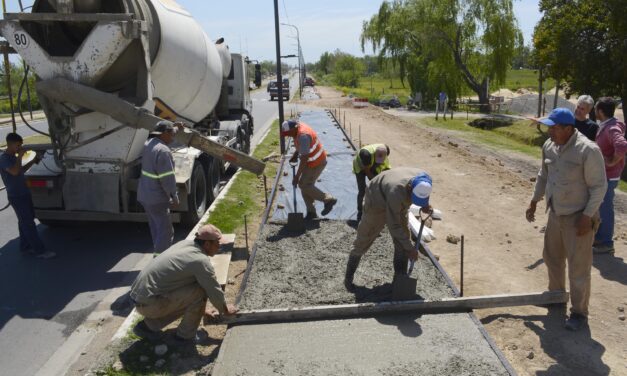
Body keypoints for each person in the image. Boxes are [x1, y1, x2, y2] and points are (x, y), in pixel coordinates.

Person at [526, 108, 607, 331]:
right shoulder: (549, 146)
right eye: (549, 127)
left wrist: (587, 216)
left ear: (568, 129)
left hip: (579, 217)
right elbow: (544, 175)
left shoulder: (587, 150)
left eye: (554, 127)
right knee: (552, 258)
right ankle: (556, 297)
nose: (549, 131)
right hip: (555, 214)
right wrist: (534, 200)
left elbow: (600, 186)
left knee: (578, 268)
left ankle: (579, 313)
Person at [130, 224, 238, 341]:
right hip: (150, 303)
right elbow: (212, 288)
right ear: (207, 244)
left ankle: (147, 327)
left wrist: (202, 310)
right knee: (200, 291)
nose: (219, 247)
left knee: (194, 290)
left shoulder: (184, 244)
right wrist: (225, 310)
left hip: (141, 299)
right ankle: (185, 337)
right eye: (218, 243)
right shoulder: (200, 261)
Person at [344, 167, 432, 291]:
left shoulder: (425, 180)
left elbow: (423, 195)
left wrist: (425, 204)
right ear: (410, 188)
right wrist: (410, 248)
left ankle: (399, 279)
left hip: (398, 199)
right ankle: (348, 279)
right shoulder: (396, 192)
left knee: (403, 239)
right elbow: (394, 226)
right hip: (376, 198)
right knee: (365, 237)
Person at [0, 133, 55, 259]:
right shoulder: (4, 158)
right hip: (16, 195)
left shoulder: (13, 157)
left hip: (24, 193)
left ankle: (25, 247)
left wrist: (33, 161)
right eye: (18, 145)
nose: (20, 147)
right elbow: (14, 172)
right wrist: (20, 156)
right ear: (11, 144)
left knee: (25, 221)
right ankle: (40, 251)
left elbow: (20, 170)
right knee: (28, 223)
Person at [138, 121, 180, 254]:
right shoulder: (163, 151)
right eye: (171, 134)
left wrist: (177, 128)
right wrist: (174, 196)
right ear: (164, 133)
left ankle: (157, 254)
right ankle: (160, 263)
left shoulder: (148, 144)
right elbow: (167, 179)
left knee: (156, 228)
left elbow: (168, 131)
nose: (173, 137)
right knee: (166, 233)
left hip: (145, 195)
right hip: (158, 198)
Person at [281, 119, 337, 219]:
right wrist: (295, 153)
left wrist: (297, 176)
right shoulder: (297, 128)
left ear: (294, 129)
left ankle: (328, 199)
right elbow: (301, 146)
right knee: (304, 185)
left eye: (288, 133)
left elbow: (304, 159)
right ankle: (311, 212)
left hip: (317, 162)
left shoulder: (303, 136)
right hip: (311, 161)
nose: (287, 135)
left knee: (304, 184)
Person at [593, 97, 627, 254]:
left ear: (600, 111)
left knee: (605, 208)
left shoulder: (611, 127)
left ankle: (606, 243)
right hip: (606, 175)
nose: (594, 111)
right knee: (601, 206)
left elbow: (621, 146)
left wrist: (612, 162)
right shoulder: (607, 125)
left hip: (609, 175)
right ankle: (600, 238)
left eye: (595, 109)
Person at [352, 144, 391, 222]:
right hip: (360, 166)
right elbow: (368, 172)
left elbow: (387, 171)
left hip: (371, 163)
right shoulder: (366, 155)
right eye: (378, 162)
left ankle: (376, 209)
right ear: (374, 155)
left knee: (378, 186)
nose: (380, 163)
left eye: (381, 161)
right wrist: (375, 182)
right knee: (362, 190)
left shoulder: (385, 152)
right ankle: (360, 211)